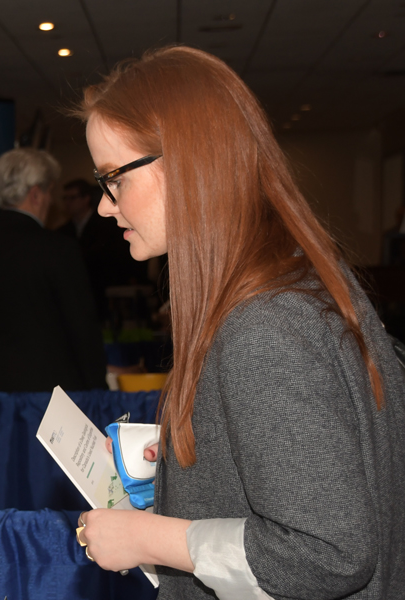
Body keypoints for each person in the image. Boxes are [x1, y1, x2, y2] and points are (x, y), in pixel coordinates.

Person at [71, 46, 405, 599]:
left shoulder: (264, 325)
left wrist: (148, 539)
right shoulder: (291, 283)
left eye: (114, 178)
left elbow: (329, 551)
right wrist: (192, 459)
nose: (106, 207)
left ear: (186, 165)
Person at [0, 148, 107, 393]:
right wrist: (98, 392)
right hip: (47, 400)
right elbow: (82, 330)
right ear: (36, 194)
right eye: (50, 192)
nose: (51, 201)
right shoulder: (59, 249)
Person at [54, 179, 148, 323]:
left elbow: (117, 260)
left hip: (104, 293)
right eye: (65, 198)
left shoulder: (108, 226)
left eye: (72, 198)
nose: (68, 203)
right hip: (75, 296)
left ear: (86, 199)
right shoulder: (62, 232)